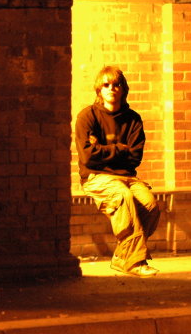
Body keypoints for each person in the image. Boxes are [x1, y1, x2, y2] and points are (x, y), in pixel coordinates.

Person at [75, 66, 160, 277]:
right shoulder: (87, 116)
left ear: (123, 89)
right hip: (96, 177)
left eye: (116, 84)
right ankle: (134, 261)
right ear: (99, 89)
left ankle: (122, 255)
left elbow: (135, 158)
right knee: (123, 197)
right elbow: (87, 156)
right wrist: (120, 149)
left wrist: (102, 150)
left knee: (150, 205)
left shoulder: (133, 120)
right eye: (106, 85)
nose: (111, 88)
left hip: (127, 176)